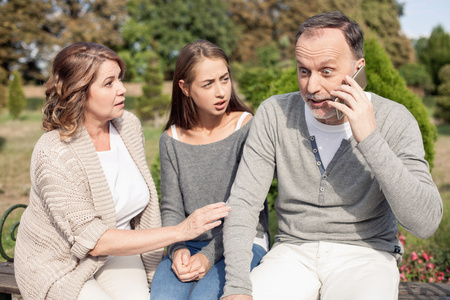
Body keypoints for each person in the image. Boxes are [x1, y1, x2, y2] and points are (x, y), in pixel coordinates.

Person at [221, 11, 443, 300]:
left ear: (358, 69)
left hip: (367, 256)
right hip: (292, 253)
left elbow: (426, 222)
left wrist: (370, 138)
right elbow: (244, 204)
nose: (312, 87)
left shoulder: (396, 120)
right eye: (303, 71)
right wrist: (237, 288)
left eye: (326, 71)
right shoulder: (274, 114)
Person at [14, 42, 231, 300]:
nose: (122, 89)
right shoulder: (53, 152)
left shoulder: (127, 125)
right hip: (59, 264)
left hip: (117, 254)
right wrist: (181, 232)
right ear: (79, 92)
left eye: (120, 79)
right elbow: (95, 241)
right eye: (109, 83)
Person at [150, 40, 269, 300]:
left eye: (224, 79)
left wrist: (207, 256)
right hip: (189, 241)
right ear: (185, 88)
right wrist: (177, 248)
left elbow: (247, 209)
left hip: (243, 240)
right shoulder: (170, 140)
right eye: (208, 84)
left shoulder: (246, 128)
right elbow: (171, 207)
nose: (221, 92)